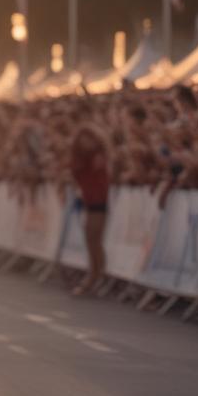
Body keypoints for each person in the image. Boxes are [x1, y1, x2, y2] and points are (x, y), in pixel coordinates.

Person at [69, 123, 110, 295]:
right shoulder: (79, 159)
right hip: (88, 200)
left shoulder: (100, 154)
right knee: (90, 240)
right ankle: (94, 274)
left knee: (95, 239)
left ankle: (97, 275)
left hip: (99, 201)